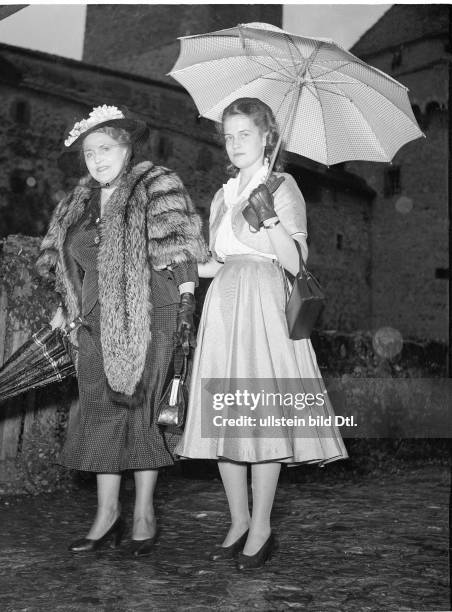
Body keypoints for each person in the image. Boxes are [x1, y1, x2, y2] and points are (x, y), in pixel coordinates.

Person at [176, 98, 348, 570]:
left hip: (265, 303)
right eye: (228, 136)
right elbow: (217, 262)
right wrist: (186, 267)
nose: (234, 144)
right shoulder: (221, 195)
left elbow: (294, 263)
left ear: (267, 138)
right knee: (224, 420)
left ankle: (263, 524)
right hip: (225, 304)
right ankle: (237, 520)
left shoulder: (283, 186)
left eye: (244, 135)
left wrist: (269, 215)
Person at [36, 105, 208, 556]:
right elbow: (67, 266)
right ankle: (106, 514)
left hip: (152, 314)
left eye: (106, 148)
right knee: (100, 415)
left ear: (127, 148)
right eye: (89, 152)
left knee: (141, 415)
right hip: (93, 324)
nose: (97, 159)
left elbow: (180, 247)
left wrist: (189, 301)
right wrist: (65, 308)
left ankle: (144, 514)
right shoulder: (79, 202)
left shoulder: (155, 185)